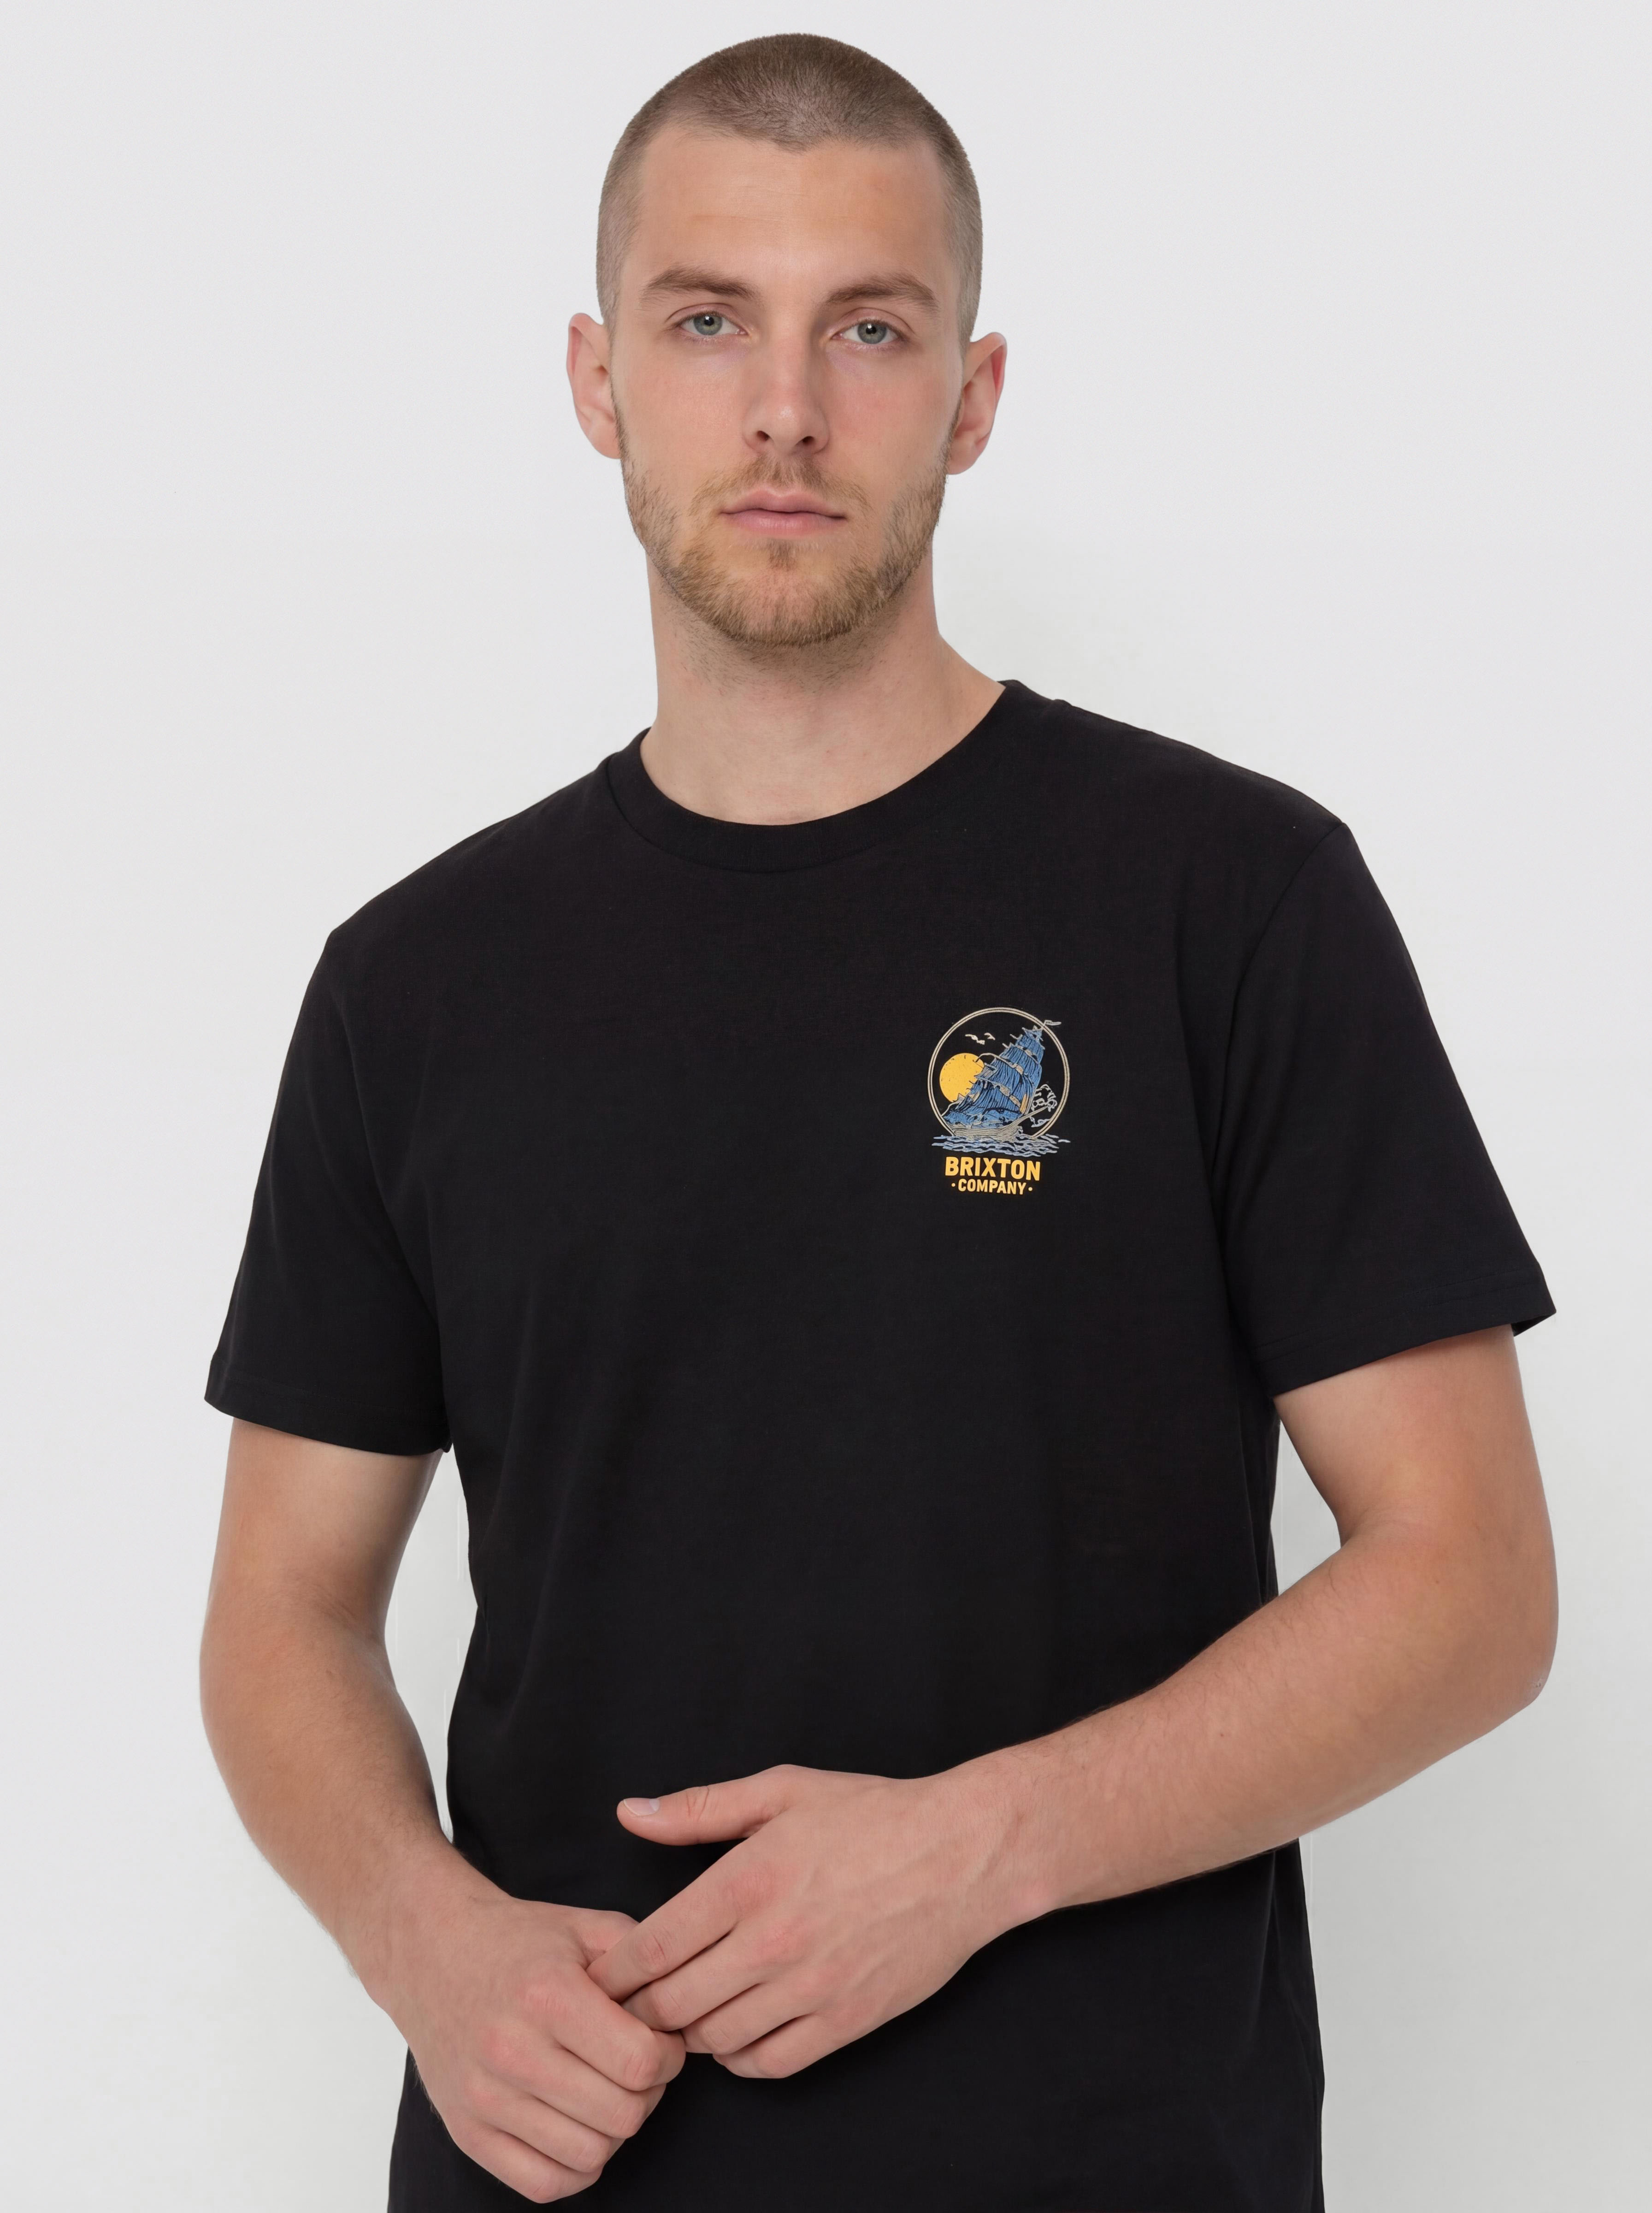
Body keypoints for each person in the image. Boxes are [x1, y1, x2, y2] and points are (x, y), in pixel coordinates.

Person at [200, 32, 1558, 2213]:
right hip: (565, 2165)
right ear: (593, 379)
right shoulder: (415, 980)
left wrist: (977, 1850)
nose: (782, 410)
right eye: (703, 320)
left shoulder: (1226, 898)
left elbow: (1467, 1580)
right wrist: (420, 1940)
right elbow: (280, 1610)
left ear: (971, 393)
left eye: (867, 328)